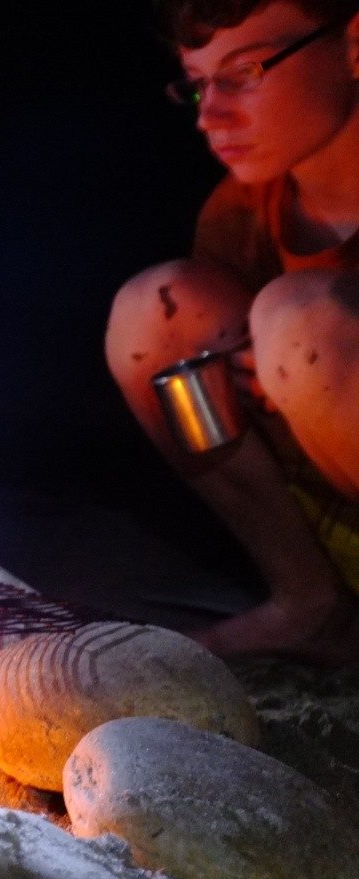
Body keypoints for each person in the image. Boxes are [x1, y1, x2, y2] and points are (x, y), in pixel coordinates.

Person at [104, 0, 359, 664]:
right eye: (197, 84)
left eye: (244, 72)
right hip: (335, 515)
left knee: (299, 322)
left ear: (354, 45)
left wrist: (308, 353)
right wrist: (264, 385)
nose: (209, 116)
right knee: (155, 313)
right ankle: (309, 602)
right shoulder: (239, 217)